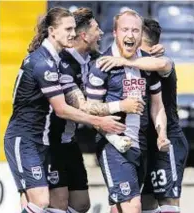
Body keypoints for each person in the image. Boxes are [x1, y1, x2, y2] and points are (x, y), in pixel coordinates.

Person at [4, 7, 126, 213]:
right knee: (42, 201)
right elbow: (61, 110)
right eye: (68, 29)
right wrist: (100, 121)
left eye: (73, 28)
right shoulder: (44, 63)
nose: (73, 33)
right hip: (24, 139)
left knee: (75, 204)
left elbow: (77, 101)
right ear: (52, 31)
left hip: (42, 140)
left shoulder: (57, 61)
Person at [48, 7, 145, 213]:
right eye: (97, 29)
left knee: (82, 204)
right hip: (48, 140)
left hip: (70, 140)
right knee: (44, 200)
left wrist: (144, 56)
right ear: (84, 35)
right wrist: (121, 106)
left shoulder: (95, 60)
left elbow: (159, 63)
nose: (101, 33)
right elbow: (84, 107)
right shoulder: (62, 64)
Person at [97, 18, 188, 213]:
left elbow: (163, 63)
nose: (132, 45)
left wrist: (123, 60)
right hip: (140, 140)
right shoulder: (122, 66)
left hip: (166, 139)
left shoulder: (160, 63)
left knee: (167, 203)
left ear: (153, 48)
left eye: (138, 39)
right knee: (136, 203)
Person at [85, 9, 169, 213]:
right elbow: (88, 110)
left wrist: (162, 134)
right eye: (125, 30)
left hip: (140, 145)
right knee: (133, 206)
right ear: (115, 33)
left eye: (135, 30)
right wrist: (121, 106)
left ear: (141, 34)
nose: (130, 35)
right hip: (113, 145)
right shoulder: (102, 65)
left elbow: (157, 104)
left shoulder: (147, 64)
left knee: (119, 207)